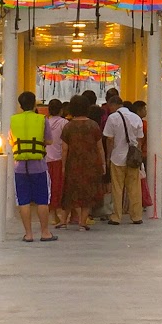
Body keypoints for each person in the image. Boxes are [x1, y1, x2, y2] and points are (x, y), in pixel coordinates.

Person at [10, 90, 56, 243]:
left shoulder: (14, 120)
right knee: (42, 200)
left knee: (23, 201)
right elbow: (49, 141)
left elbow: (11, 142)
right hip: (39, 166)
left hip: (20, 167)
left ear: (20, 105)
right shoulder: (42, 119)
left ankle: (28, 234)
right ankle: (45, 232)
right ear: (34, 103)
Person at [60, 94, 107, 229]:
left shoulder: (68, 127)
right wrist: (103, 163)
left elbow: (64, 149)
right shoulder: (93, 125)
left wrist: (63, 166)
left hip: (73, 163)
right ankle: (82, 222)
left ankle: (64, 221)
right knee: (87, 193)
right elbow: (100, 147)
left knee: (69, 192)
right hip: (91, 164)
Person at [103, 94, 145, 224]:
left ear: (113, 105)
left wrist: (108, 156)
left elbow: (109, 139)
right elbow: (140, 138)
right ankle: (136, 216)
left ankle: (117, 216)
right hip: (133, 158)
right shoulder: (136, 117)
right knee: (134, 188)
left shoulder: (112, 118)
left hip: (117, 157)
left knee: (117, 188)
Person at [44, 98, 67, 227]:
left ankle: (51, 215)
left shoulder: (44, 122)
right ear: (61, 110)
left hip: (46, 159)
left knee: (48, 188)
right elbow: (65, 145)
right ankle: (60, 215)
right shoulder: (64, 123)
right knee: (59, 188)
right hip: (59, 159)